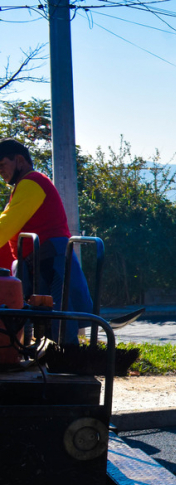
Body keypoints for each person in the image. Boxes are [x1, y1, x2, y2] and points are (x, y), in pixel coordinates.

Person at [0, 138, 92, 346]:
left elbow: (7, 223)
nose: (1, 172)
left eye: (2, 165)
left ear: (19, 160)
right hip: (35, 261)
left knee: (60, 316)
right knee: (40, 315)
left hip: (52, 259)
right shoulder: (21, 187)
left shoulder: (33, 182)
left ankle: (69, 359)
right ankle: (47, 355)